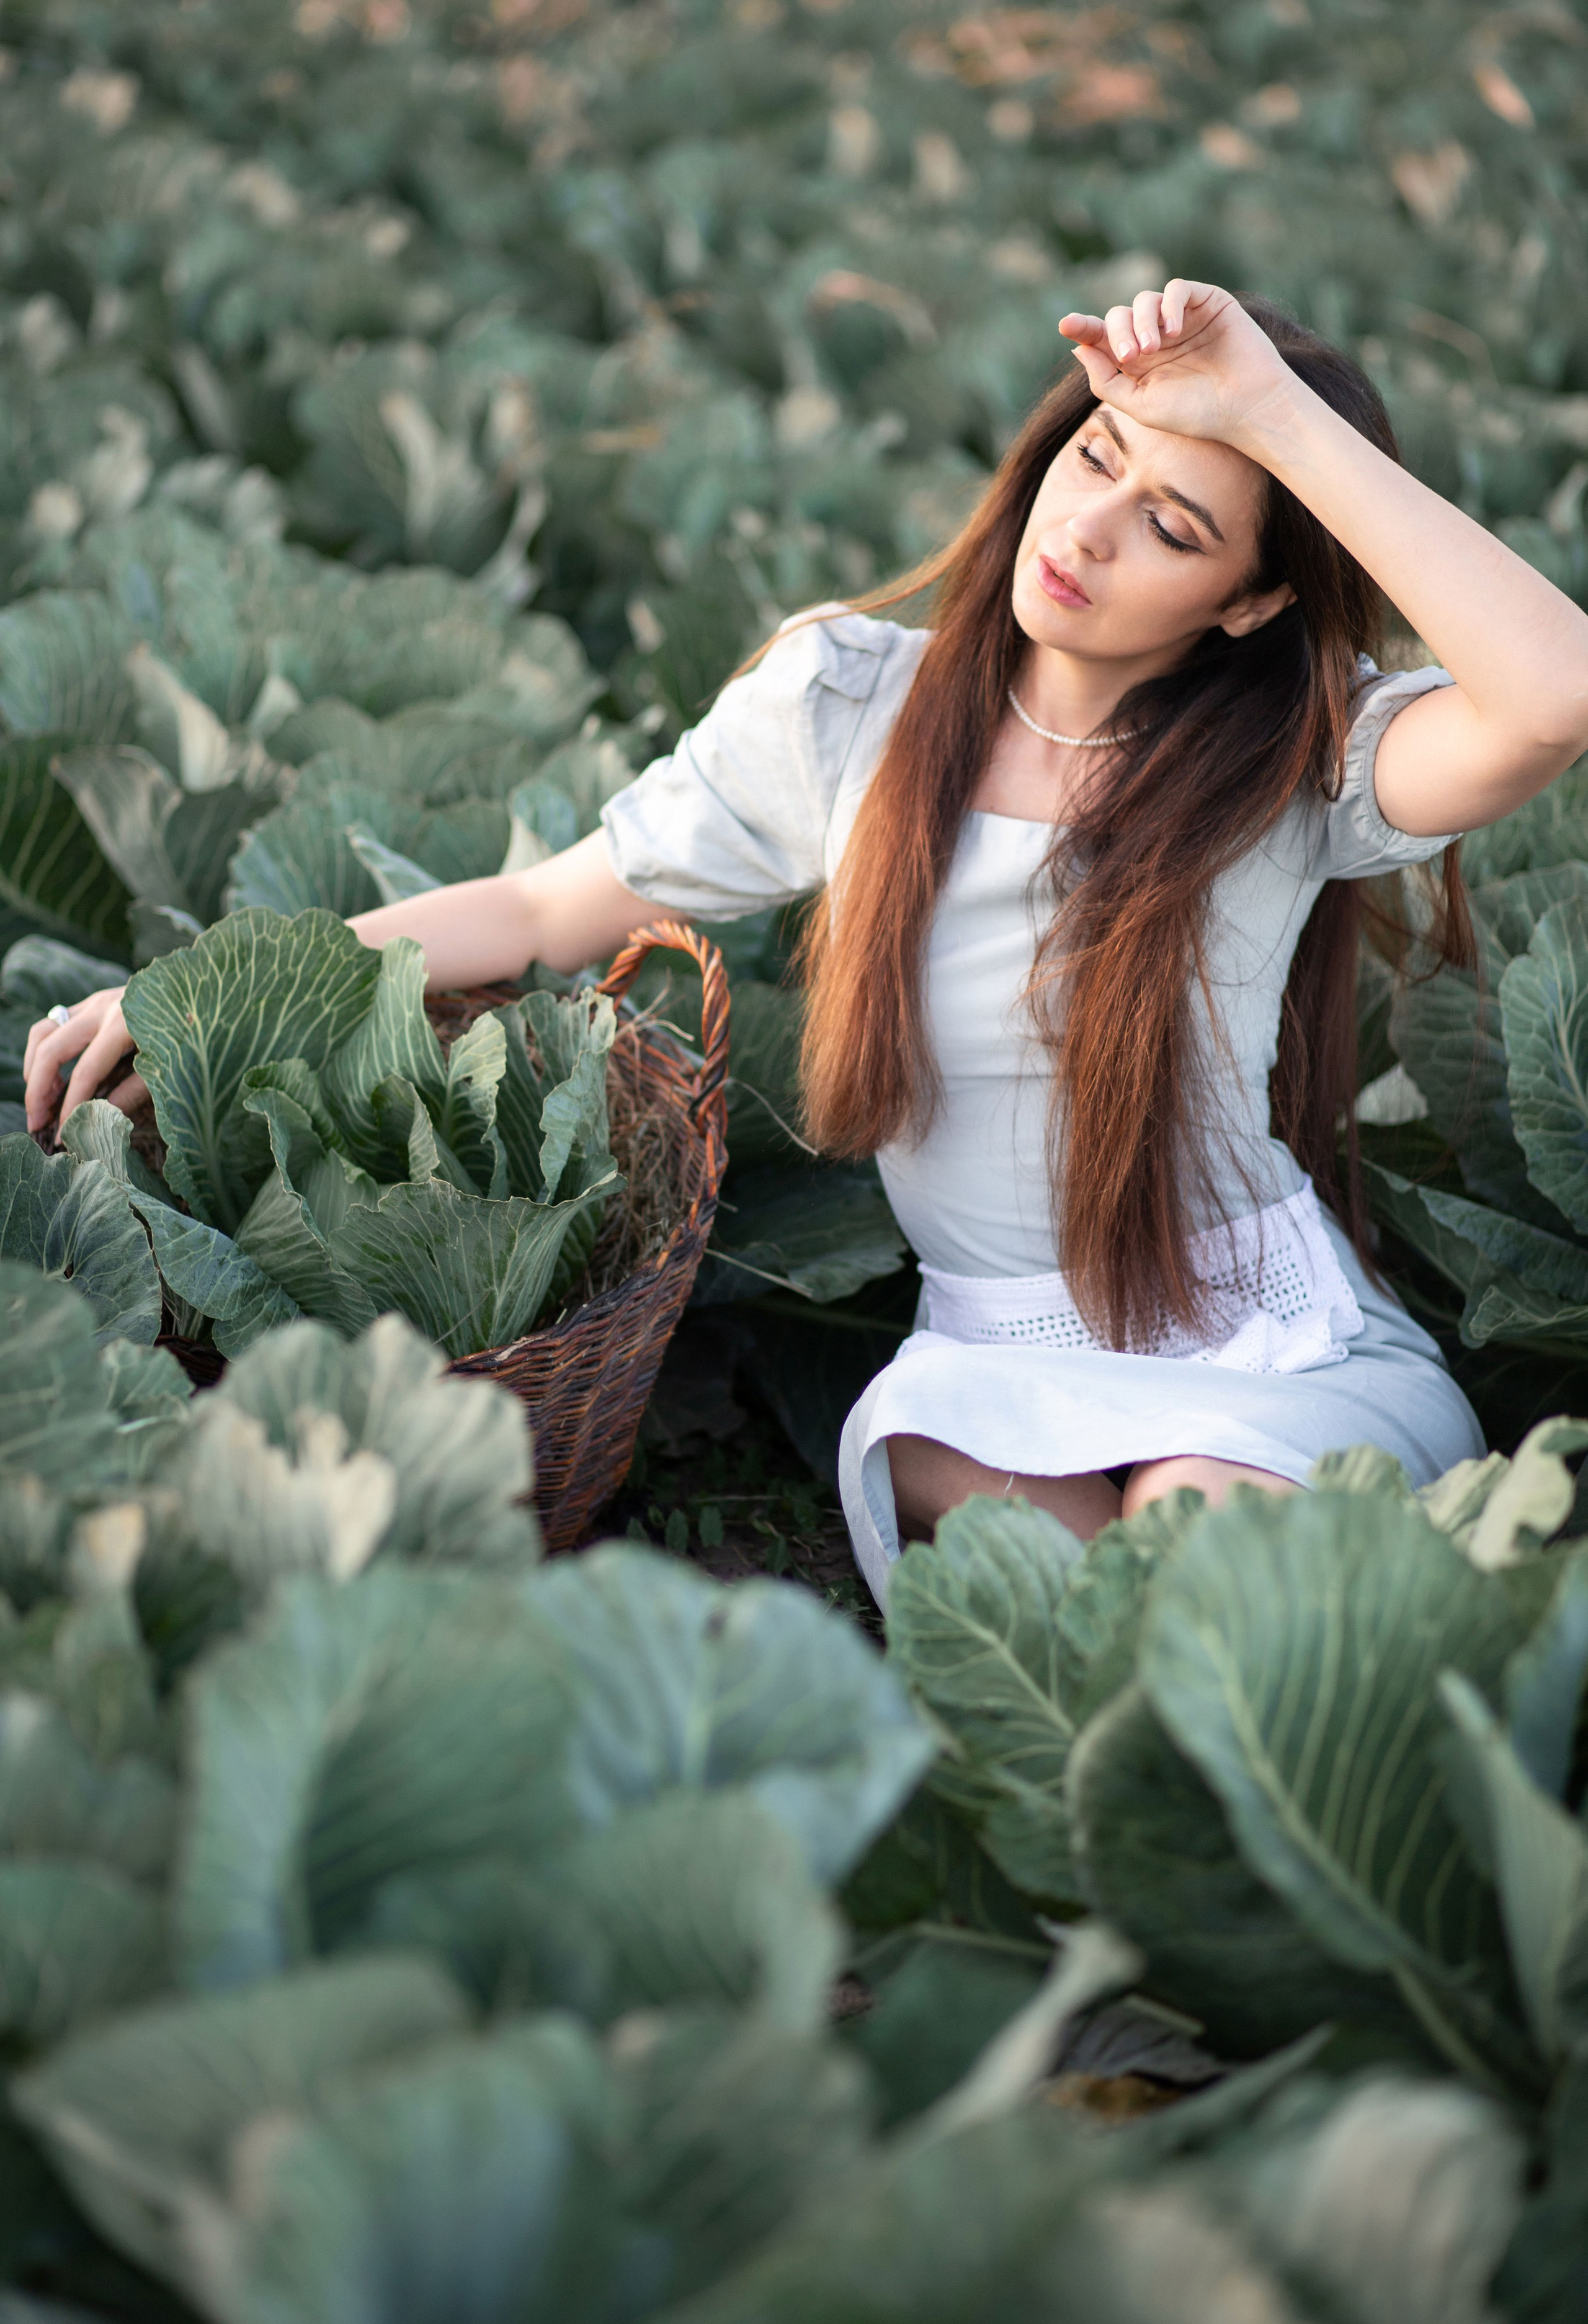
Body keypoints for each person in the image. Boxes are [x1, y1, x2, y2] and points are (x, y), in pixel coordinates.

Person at [29, 283, 1588, 1599]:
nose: (1088, 531)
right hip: (992, 1357)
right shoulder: (848, 709)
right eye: (1094, 457)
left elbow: (1552, 693)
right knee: (1061, 1578)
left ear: (1247, 605)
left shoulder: (1289, 768)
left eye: (1170, 527)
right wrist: (207, 995)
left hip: (1255, 1335)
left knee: (1188, 1534)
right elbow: (541, 908)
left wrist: (1271, 416)